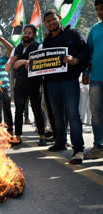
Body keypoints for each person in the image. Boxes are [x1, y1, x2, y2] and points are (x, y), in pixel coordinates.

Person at [43, 9, 89, 164]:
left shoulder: (73, 34)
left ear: (60, 18)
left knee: (73, 114)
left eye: (53, 19)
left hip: (69, 81)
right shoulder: (47, 41)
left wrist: (75, 60)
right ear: (45, 24)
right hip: (52, 82)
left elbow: (85, 51)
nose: (51, 23)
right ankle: (60, 142)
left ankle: (78, 150)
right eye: (48, 21)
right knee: (57, 114)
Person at [5, 24, 46, 147]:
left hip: (34, 83)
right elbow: (7, 68)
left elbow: (42, 62)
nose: (26, 35)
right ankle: (17, 137)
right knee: (19, 111)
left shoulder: (39, 46)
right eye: (25, 32)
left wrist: (23, 61)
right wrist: (13, 62)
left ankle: (42, 136)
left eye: (29, 33)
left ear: (34, 35)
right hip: (20, 84)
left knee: (37, 109)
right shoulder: (16, 48)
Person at [83, 0, 103, 159]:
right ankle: (98, 147)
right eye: (97, 9)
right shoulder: (95, 29)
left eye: (102, 9)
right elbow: (88, 53)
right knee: (96, 113)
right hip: (96, 79)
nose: (99, 12)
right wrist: (86, 72)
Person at [0, 34, 14, 135]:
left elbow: (11, 48)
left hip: (5, 88)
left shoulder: (4, 59)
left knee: (7, 110)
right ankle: (0, 131)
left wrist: (1, 39)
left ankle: (10, 131)